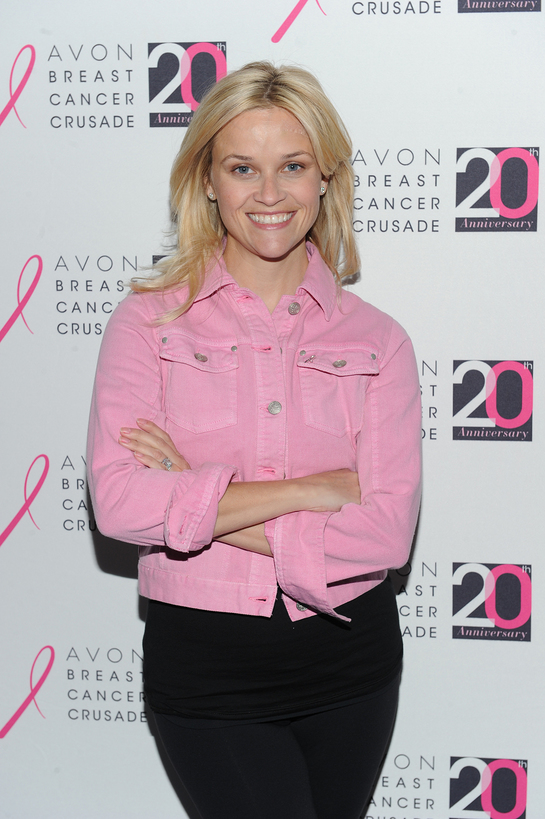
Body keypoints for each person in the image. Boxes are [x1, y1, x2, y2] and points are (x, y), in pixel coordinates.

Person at [87, 61, 422, 819]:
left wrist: (197, 493)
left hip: (352, 662)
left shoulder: (379, 342)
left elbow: (384, 534)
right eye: (243, 168)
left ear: (324, 179)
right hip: (205, 669)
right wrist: (314, 490)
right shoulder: (148, 325)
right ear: (207, 178)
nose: (268, 195)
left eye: (292, 167)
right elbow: (120, 504)